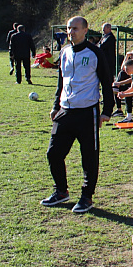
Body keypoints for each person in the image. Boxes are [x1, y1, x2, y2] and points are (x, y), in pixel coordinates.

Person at [41, 16, 114, 214]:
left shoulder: (95, 53)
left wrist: (107, 110)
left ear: (85, 30)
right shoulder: (64, 52)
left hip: (87, 112)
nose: (71, 32)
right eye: (68, 29)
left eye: (75, 28)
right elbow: (61, 81)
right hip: (65, 110)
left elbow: (107, 82)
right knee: (53, 153)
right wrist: (56, 105)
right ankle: (61, 191)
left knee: (89, 157)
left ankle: (86, 197)